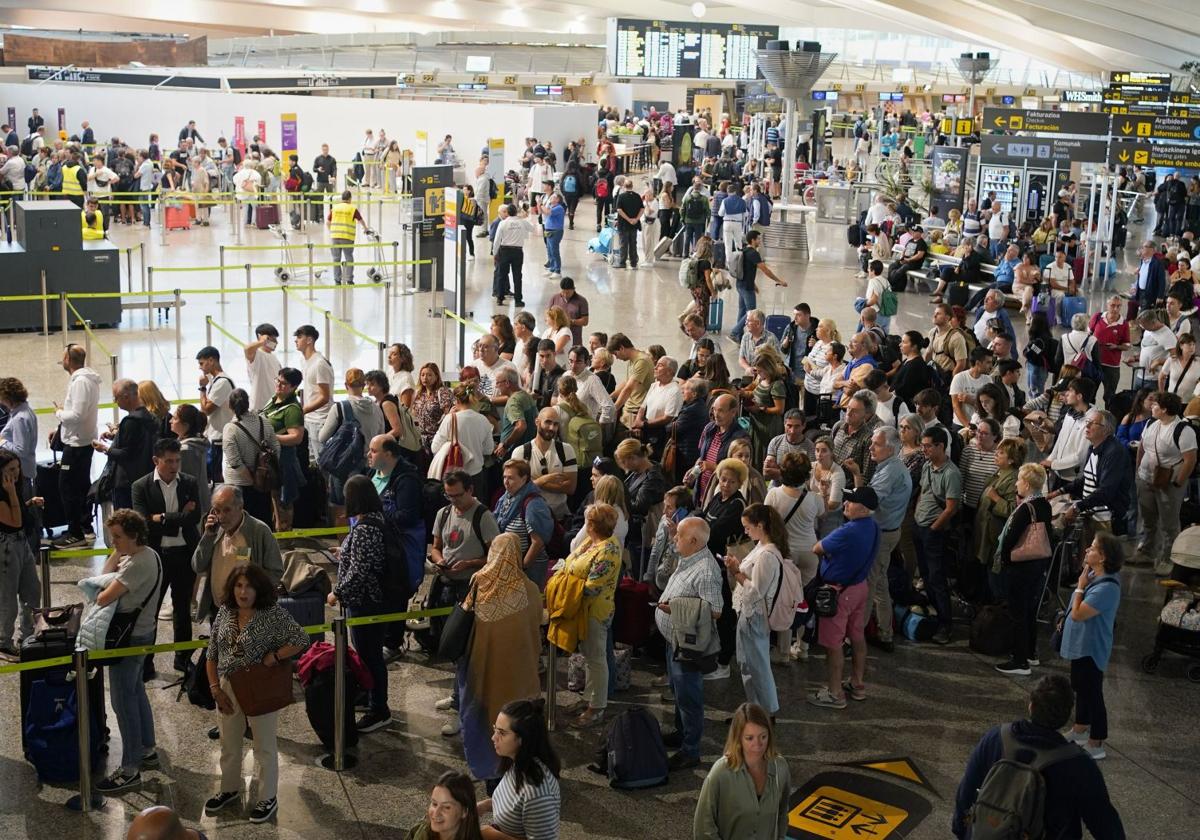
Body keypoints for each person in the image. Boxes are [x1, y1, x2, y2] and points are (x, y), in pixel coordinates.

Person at [952, 675, 1125, 839]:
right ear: (1066, 717)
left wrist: (963, 832)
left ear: (1031, 705)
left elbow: (966, 793)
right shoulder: (1079, 765)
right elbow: (1104, 825)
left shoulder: (996, 738)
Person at [203, 562, 309, 823]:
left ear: (258, 588)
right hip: (229, 684)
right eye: (238, 585)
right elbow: (212, 653)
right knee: (229, 742)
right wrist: (215, 688)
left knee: (264, 745)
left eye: (249, 586)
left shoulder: (271, 613)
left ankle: (267, 797)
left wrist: (275, 655)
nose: (243, 591)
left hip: (260, 685)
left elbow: (300, 639)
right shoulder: (225, 612)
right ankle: (229, 789)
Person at [92, 509, 162, 794]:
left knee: (122, 701)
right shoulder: (148, 554)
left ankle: (130, 767)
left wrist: (116, 558)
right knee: (136, 692)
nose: (114, 542)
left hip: (129, 638)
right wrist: (116, 550)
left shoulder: (135, 564)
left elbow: (102, 593)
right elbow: (108, 573)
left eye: (118, 537)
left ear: (134, 535)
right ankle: (147, 748)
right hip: (144, 632)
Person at [326, 475, 392, 732]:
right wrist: (344, 553)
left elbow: (360, 572)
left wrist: (337, 593)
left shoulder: (365, 529)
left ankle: (380, 709)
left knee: (370, 655)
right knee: (367, 654)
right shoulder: (375, 522)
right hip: (371, 600)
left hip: (366, 602)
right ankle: (370, 694)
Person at [657, 517, 724, 769]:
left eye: (679, 536)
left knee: (689, 697)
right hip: (673, 639)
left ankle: (691, 749)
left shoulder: (706, 570)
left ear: (694, 541)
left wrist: (675, 608)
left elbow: (716, 610)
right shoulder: (689, 557)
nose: (675, 539)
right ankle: (680, 732)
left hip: (688, 645)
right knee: (677, 691)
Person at [131, 439, 201, 674]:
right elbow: (142, 523)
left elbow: (194, 518)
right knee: (150, 610)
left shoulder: (189, 483)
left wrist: (161, 518)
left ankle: (182, 658)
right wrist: (178, 517)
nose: (174, 465)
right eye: (169, 461)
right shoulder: (140, 486)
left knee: (182, 609)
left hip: (184, 554)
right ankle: (146, 662)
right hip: (156, 556)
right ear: (156, 461)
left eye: (177, 460)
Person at [808, 487, 880, 709]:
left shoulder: (847, 531)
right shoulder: (874, 527)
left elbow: (817, 548)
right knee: (857, 636)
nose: (846, 503)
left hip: (838, 592)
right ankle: (857, 684)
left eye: (852, 501)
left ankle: (835, 692)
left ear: (865, 508)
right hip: (859, 588)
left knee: (834, 644)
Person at [1059, 531, 1124, 762]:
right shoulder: (1095, 576)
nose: (1087, 550)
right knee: (1081, 686)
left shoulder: (1106, 587)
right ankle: (1079, 728)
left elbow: (1077, 614)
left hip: (1091, 647)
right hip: (1081, 645)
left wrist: (1079, 586)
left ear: (1104, 557)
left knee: (1092, 692)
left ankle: (1097, 741)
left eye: (1093, 548)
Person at [561, 503, 623, 727]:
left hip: (596, 611)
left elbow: (592, 587)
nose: (585, 523)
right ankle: (588, 698)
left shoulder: (609, 550)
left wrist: (565, 586)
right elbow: (571, 562)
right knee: (588, 656)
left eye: (587, 520)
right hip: (582, 609)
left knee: (597, 659)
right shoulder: (592, 542)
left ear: (593, 525)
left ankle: (597, 707)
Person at [693, 703, 791, 840]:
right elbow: (704, 827)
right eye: (749, 738)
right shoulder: (721, 772)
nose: (757, 745)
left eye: (763, 736)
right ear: (738, 738)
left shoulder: (780, 767)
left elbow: (782, 814)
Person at [723, 504, 785, 717]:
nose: (745, 532)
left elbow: (755, 590)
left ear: (760, 525)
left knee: (757, 667)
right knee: (747, 664)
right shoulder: (760, 546)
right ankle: (756, 709)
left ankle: (766, 712)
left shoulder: (767, 554)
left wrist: (735, 571)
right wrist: (737, 566)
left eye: (748, 527)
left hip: (755, 614)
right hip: (747, 612)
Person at [191, 485, 283, 625]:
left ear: (240, 507)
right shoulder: (214, 531)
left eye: (227, 510)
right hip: (218, 611)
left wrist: (254, 597)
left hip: (248, 613)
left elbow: (276, 571)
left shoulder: (259, 531)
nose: (221, 516)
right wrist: (207, 537)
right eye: (217, 511)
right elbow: (198, 566)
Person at [478, 697, 562, 840]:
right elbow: (514, 807)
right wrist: (485, 805)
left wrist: (491, 834)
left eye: (502, 733)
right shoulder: (517, 764)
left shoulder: (538, 792)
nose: (493, 737)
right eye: (495, 729)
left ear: (522, 739)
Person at [1133, 391, 1196, 575]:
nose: (1152, 406)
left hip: (1168, 482)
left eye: (1155, 405)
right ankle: (1147, 551)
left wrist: (1178, 482)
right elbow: (1142, 447)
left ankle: (1168, 558)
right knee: (1147, 518)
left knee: (1169, 524)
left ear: (1165, 410)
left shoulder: (1183, 430)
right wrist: (1138, 470)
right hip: (1145, 478)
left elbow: (1190, 459)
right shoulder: (1152, 423)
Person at [912, 427, 960, 645]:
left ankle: (945, 623)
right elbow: (923, 491)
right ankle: (933, 614)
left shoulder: (951, 473)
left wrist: (934, 528)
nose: (925, 450)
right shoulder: (927, 466)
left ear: (941, 446)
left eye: (929, 446)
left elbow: (951, 508)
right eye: (923, 445)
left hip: (934, 531)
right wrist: (916, 513)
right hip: (919, 525)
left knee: (936, 577)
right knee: (925, 575)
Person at [51, 344, 101, 548]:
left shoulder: (81, 382)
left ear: (68, 360)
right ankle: (84, 526)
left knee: (67, 487)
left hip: (77, 444)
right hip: (82, 440)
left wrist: (59, 413)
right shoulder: (87, 380)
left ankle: (75, 533)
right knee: (81, 485)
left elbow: (77, 415)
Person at [96, 378, 159, 510]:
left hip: (126, 482)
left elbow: (126, 454)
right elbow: (138, 444)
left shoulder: (130, 421)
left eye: (116, 398)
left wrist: (105, 449)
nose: (115, 402)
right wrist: (116, 436)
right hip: (146, 477)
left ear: (126, 397)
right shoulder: (150, 417)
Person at [222, 388, 280, 527]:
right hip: (263, 482)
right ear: (248, 403)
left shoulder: (230, 428)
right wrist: (265, 470)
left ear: (230, 406)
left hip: (239, 484)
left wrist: (251, 479)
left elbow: (235, 462)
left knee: (241, 525)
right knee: (262, 523)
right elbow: (276, 447)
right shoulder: (264, 422)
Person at [729, 230, 787, 344]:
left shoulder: (744, 250)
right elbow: (765, 270)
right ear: (753, 240)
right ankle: (735, 332)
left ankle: (738, 335)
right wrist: (779, 280)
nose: (760, 241)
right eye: (758, 239)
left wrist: (754, 284)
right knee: (751, 312)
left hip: (740, 284)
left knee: (742, 310)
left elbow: (746, 270)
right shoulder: (753, 253)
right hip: (746, 287)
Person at [294, 325, 334, 463]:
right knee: (313, 463)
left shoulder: (319, 364)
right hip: (309, 419)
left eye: (299, 337)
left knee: (323, 462)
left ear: (309, 340)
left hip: (320, 421)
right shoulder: (304, 361)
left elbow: (324, 396)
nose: (296, 340)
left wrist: (303, 410)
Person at [405, 771, 485, 840]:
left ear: (464, 811)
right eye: (434, 804)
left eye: (446, 807)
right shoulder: (422, 832)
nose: (436, 813)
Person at [195, 346, 235, 484]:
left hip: (218, 436)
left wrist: (202, 388)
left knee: (215, 475)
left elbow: (206, 408)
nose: (200, 367)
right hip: (214, 434)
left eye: (201, 363)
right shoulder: (216, 380)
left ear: (211, 360)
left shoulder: (222, 382)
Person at [327, 190, 368, 285]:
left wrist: (332, 231)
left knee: (336, 259)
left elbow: (328, 222)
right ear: (350, 198)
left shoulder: (335, 208)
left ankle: (337, 280)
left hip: (335, 237)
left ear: (342, 198)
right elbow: (361, 220)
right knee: (349, 258)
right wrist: (366, 229)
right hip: (347, 237)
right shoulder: (352, 209)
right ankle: (349, 279)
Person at [243, 324, 282, 412]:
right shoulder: (257, 354)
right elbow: (247, 349)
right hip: (259, 407)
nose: (276, 342)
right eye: (273, 339)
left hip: (273, 406)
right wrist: (261, 342)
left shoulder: (274, 358)